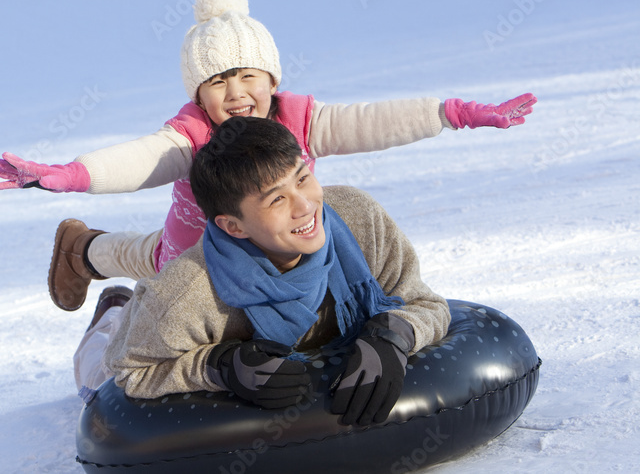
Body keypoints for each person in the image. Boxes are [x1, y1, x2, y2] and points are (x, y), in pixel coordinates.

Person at [0, 0, 535, 311]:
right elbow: (141, 159)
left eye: (248, 75)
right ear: (200, 94)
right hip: (202, 242)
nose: (236, 93)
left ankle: (85, 249)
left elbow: (374, 121)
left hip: (275, 233)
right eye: (218, 82)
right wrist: (72, 174)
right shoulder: (193, 135)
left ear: (271, 78)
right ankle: (84, 253)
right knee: (158, 265)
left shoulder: (301, 120)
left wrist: (455, 113)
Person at [79, 117, 450, 427]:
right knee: (96, 372)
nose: (305, 206)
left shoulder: (358, 218)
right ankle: (111, 313)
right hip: (137, 339)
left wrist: (392, 335)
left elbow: (424, 302)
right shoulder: (188, 294)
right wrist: (219, 365)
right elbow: (129, 371)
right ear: (234, 226)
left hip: (164, 324)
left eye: (302, 179)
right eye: (277, 199)